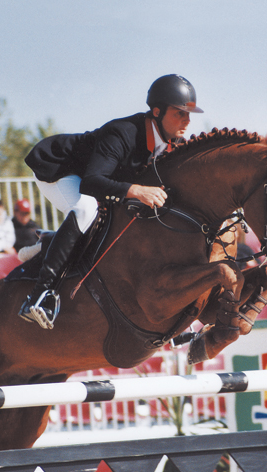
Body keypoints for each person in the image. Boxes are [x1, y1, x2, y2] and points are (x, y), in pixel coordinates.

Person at [18, 74, 203, 329]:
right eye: (179, 113)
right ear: (157, 112)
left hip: (95, 177)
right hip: (60, 169)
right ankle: (40, 296)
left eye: (189, 114)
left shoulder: (172, 143)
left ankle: (51, 241)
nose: (186, 121)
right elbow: (91, 183)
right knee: (87, 209)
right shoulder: (123, 133)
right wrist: (137, 190)